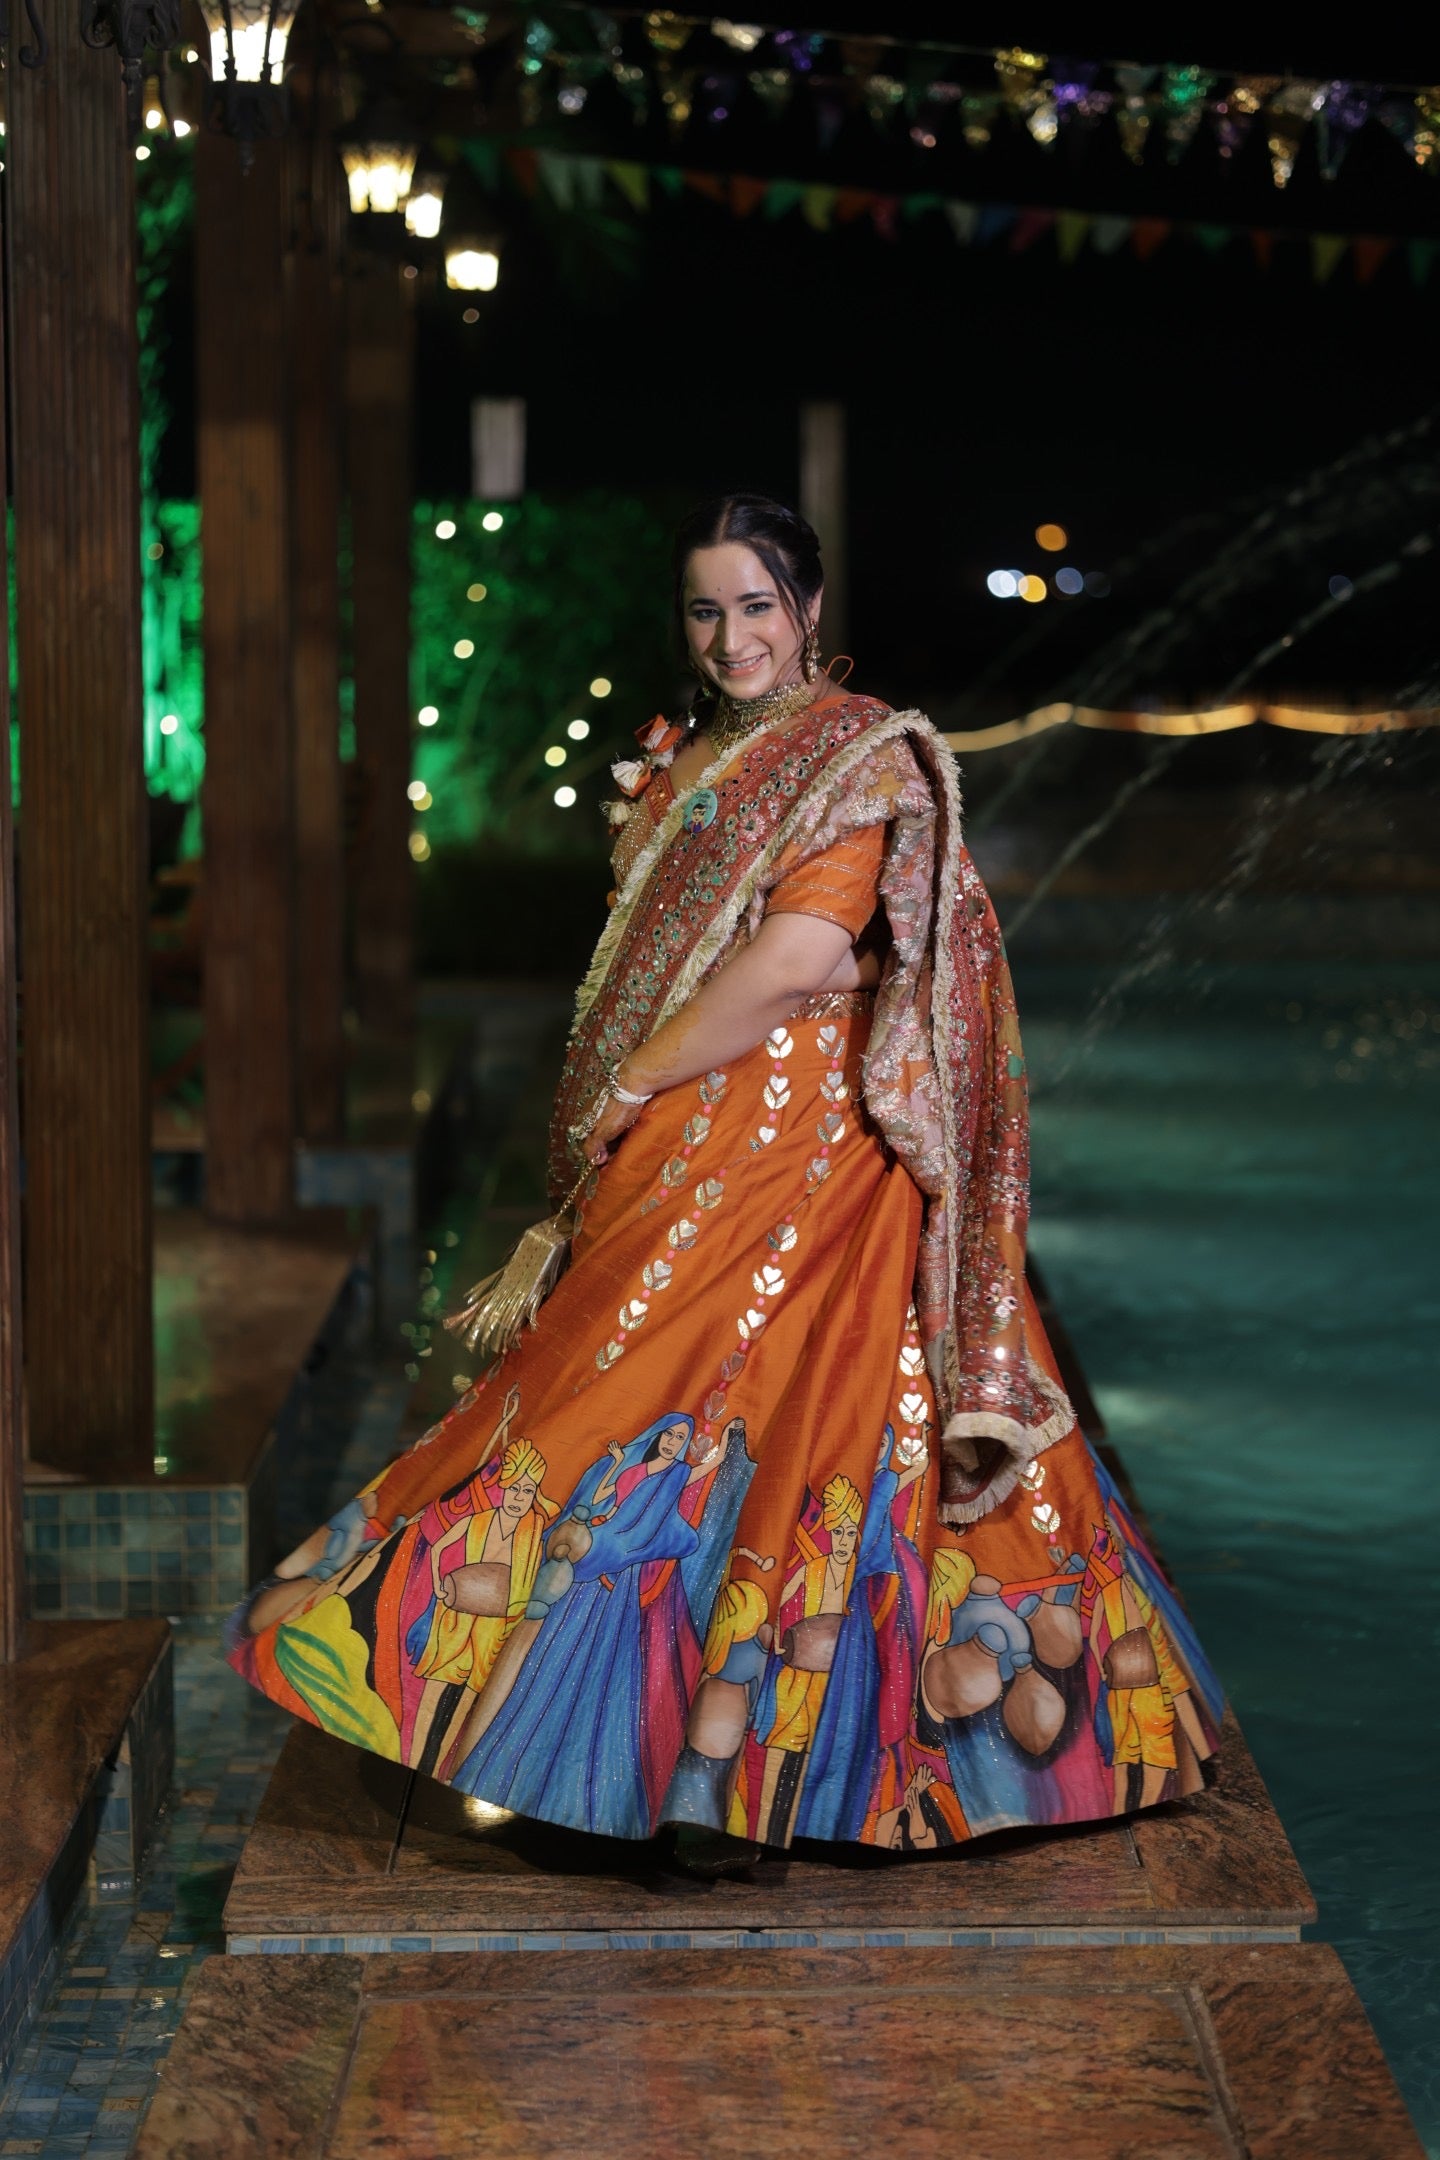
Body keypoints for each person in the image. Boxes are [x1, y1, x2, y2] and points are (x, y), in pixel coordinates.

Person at [228, 491, 1222, 1872]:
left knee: (769, 1411)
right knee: (634, 1395)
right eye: (707, 609)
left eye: (758, 606)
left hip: (815, 1151)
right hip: (696, 1136)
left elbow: (799, 960)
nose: (732, 635)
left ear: (809, 611)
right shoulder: (693, 754)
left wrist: (632, 1078)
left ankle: (768, 1772)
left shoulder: (857, 758)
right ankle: (619, 1748)